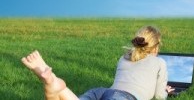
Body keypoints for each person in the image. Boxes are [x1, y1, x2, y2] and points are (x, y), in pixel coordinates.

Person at [21, 25, 174, 100]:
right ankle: (54, 86)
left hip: (102, 92)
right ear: (156, 47)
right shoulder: (159, 62)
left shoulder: (125, 57)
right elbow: (159, 97)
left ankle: (54, 85)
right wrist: (166, 91)